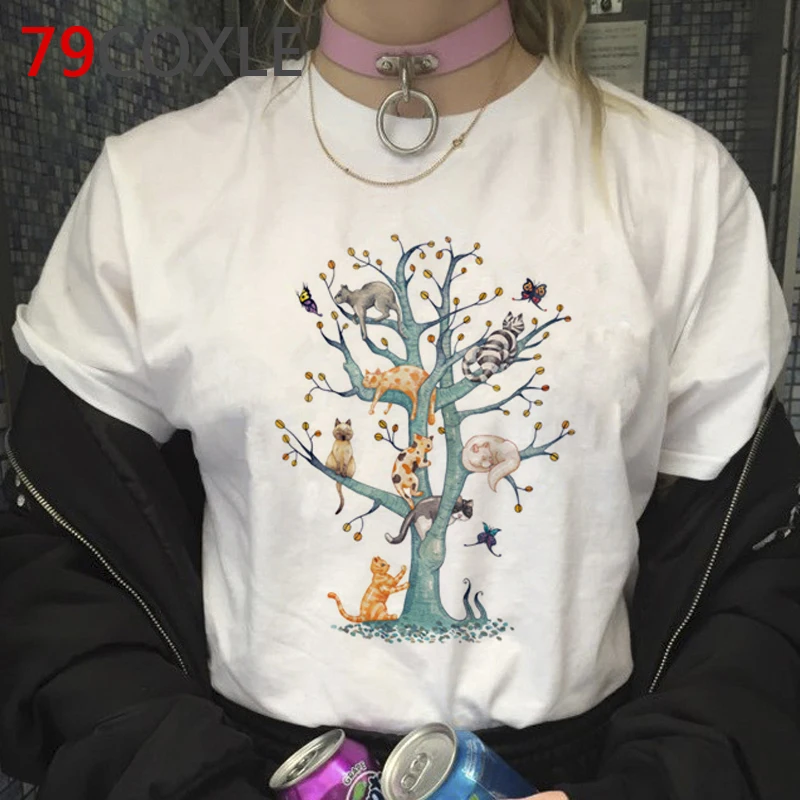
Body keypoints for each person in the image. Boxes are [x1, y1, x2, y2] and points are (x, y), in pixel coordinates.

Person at [1, 1, 800, 798]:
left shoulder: (677, 186)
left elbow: (756, 582)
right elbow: (54, 573)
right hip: (248, 772)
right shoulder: (155, 185)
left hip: (587, 770)